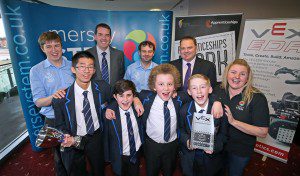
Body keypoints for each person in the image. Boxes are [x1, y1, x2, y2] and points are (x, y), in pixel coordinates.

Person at [52, 51, 111, 176]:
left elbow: (113, 101)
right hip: (74, 139)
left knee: (99, 169)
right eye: (82, 66)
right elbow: (59, 124)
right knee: (76, 171)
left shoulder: (103, 87)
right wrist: (66, 137)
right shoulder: (61, 98)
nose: (86, 70)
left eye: (90, 67)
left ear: (94, 70)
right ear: (73, 69)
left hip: (95, 137)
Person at [213, 59, 269, 176]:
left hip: (240, 150)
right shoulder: (218, 89)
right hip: (218, 145)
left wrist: (234, 122)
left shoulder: (257, 98)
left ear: (247, 78)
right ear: (227, 73)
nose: (237, 77)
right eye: (233, 72)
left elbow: (263, 132)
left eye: (242, 74)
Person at [30, 31, 74, 176]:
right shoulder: (36, 70)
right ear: (43, 49)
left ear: (62, 46)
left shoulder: (73, 65)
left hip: (74, 116)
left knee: (77, 149)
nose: (54, 50)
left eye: (57, 45)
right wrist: (53, 97)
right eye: (49, 47)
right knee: (60, 156)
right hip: (54, 120)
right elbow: (38, 102)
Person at [138, 64, 189, 176]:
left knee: (169, 171)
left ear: (175, 86)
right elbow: (125, 95)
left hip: (172, 145)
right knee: (151, 171)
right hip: (151, 145)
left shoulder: (180, 98)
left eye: (170, 84)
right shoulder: (145, 97)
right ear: (154, 86)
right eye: (161, 84)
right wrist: (136, 100)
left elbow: (201, 94)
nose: (166, 88)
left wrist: (217, 102)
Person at [179, 74, 228, 176]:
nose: (199, 91)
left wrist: (214, 147)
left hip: (212, 160)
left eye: (202, 87)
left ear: (210, 89)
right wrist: (187, 141)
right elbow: (181, 130)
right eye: (194, 88)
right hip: (191, 158)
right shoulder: (184, 110)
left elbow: (224, 134)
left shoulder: (219, 110)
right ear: (189, 92)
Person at [105, 79, 143, 176]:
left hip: (136, 152)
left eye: (129, 95)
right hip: (119, 156)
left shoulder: (139, 109)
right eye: (121, 96)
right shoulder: (110, 114)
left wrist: (137, 100)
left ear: (134, 96)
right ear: (115, 97)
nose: (125, 99)